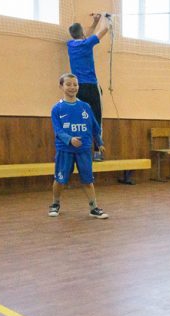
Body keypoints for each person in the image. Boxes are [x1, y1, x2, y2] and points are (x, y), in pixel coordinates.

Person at [49, 73, 109, 219]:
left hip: (84, 150)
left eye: (75, 84)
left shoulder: (85, 107)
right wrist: (69, 139)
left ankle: (94, 207)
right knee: (60, 179)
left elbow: (95, 127)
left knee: (88, 180)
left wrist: (99, 142)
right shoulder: (57, 109)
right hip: (65, 150)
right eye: (68, 84)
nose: (72, 87)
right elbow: (58, 131)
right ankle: (55, 204)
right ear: (61, 86)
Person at [67, 13, 111, 161]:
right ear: (82, 33)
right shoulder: (87, 43)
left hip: (78, 88)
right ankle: (98, 151)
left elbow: (85, 34)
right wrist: (105, 17)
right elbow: (105, 29)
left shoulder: (70, 45)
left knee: (79, 119)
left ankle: (77, 151)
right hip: (91, 86)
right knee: (96, 119)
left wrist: (94, 22)